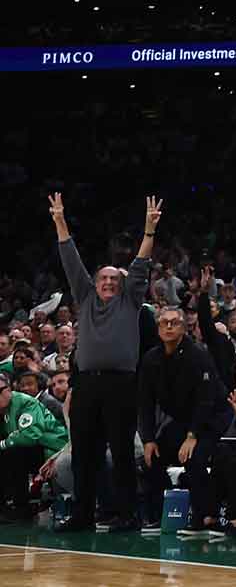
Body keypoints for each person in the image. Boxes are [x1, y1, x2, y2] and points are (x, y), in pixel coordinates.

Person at [50, 193, 159, 532]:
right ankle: (83, 515)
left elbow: (141, 263)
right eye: (103, 279)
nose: (109, 282)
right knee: (83, 451)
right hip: (86, 383)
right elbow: (71, 260)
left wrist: (150, 229)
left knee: (123, 450)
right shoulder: (84, 297)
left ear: (123, 285)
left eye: (114, 279)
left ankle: (127, 515)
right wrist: (59, 221)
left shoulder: (131, 300)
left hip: (121, 384)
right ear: (94, 284)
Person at [138, 305, 231, 537]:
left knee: (195, 457)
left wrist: (192, 436)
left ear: (183, 328)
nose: (169, 326)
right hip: (182, 418)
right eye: (164, 323)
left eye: (174, 322)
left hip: (212, 416)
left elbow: (206, 400)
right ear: (158, 328)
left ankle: (207, 518)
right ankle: (158, 516)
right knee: (152, 457)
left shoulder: (198, 355)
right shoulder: (151, 359)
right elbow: (145, 404)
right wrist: (148, 439)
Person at [0, 370, 68, 521]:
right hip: (34, 449)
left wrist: (4, 443)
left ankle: (21, 507)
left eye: (0, 391)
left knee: (13, 453)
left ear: (9, 389)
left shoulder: (25, 402)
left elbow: (30, 435)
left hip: (54, 447)